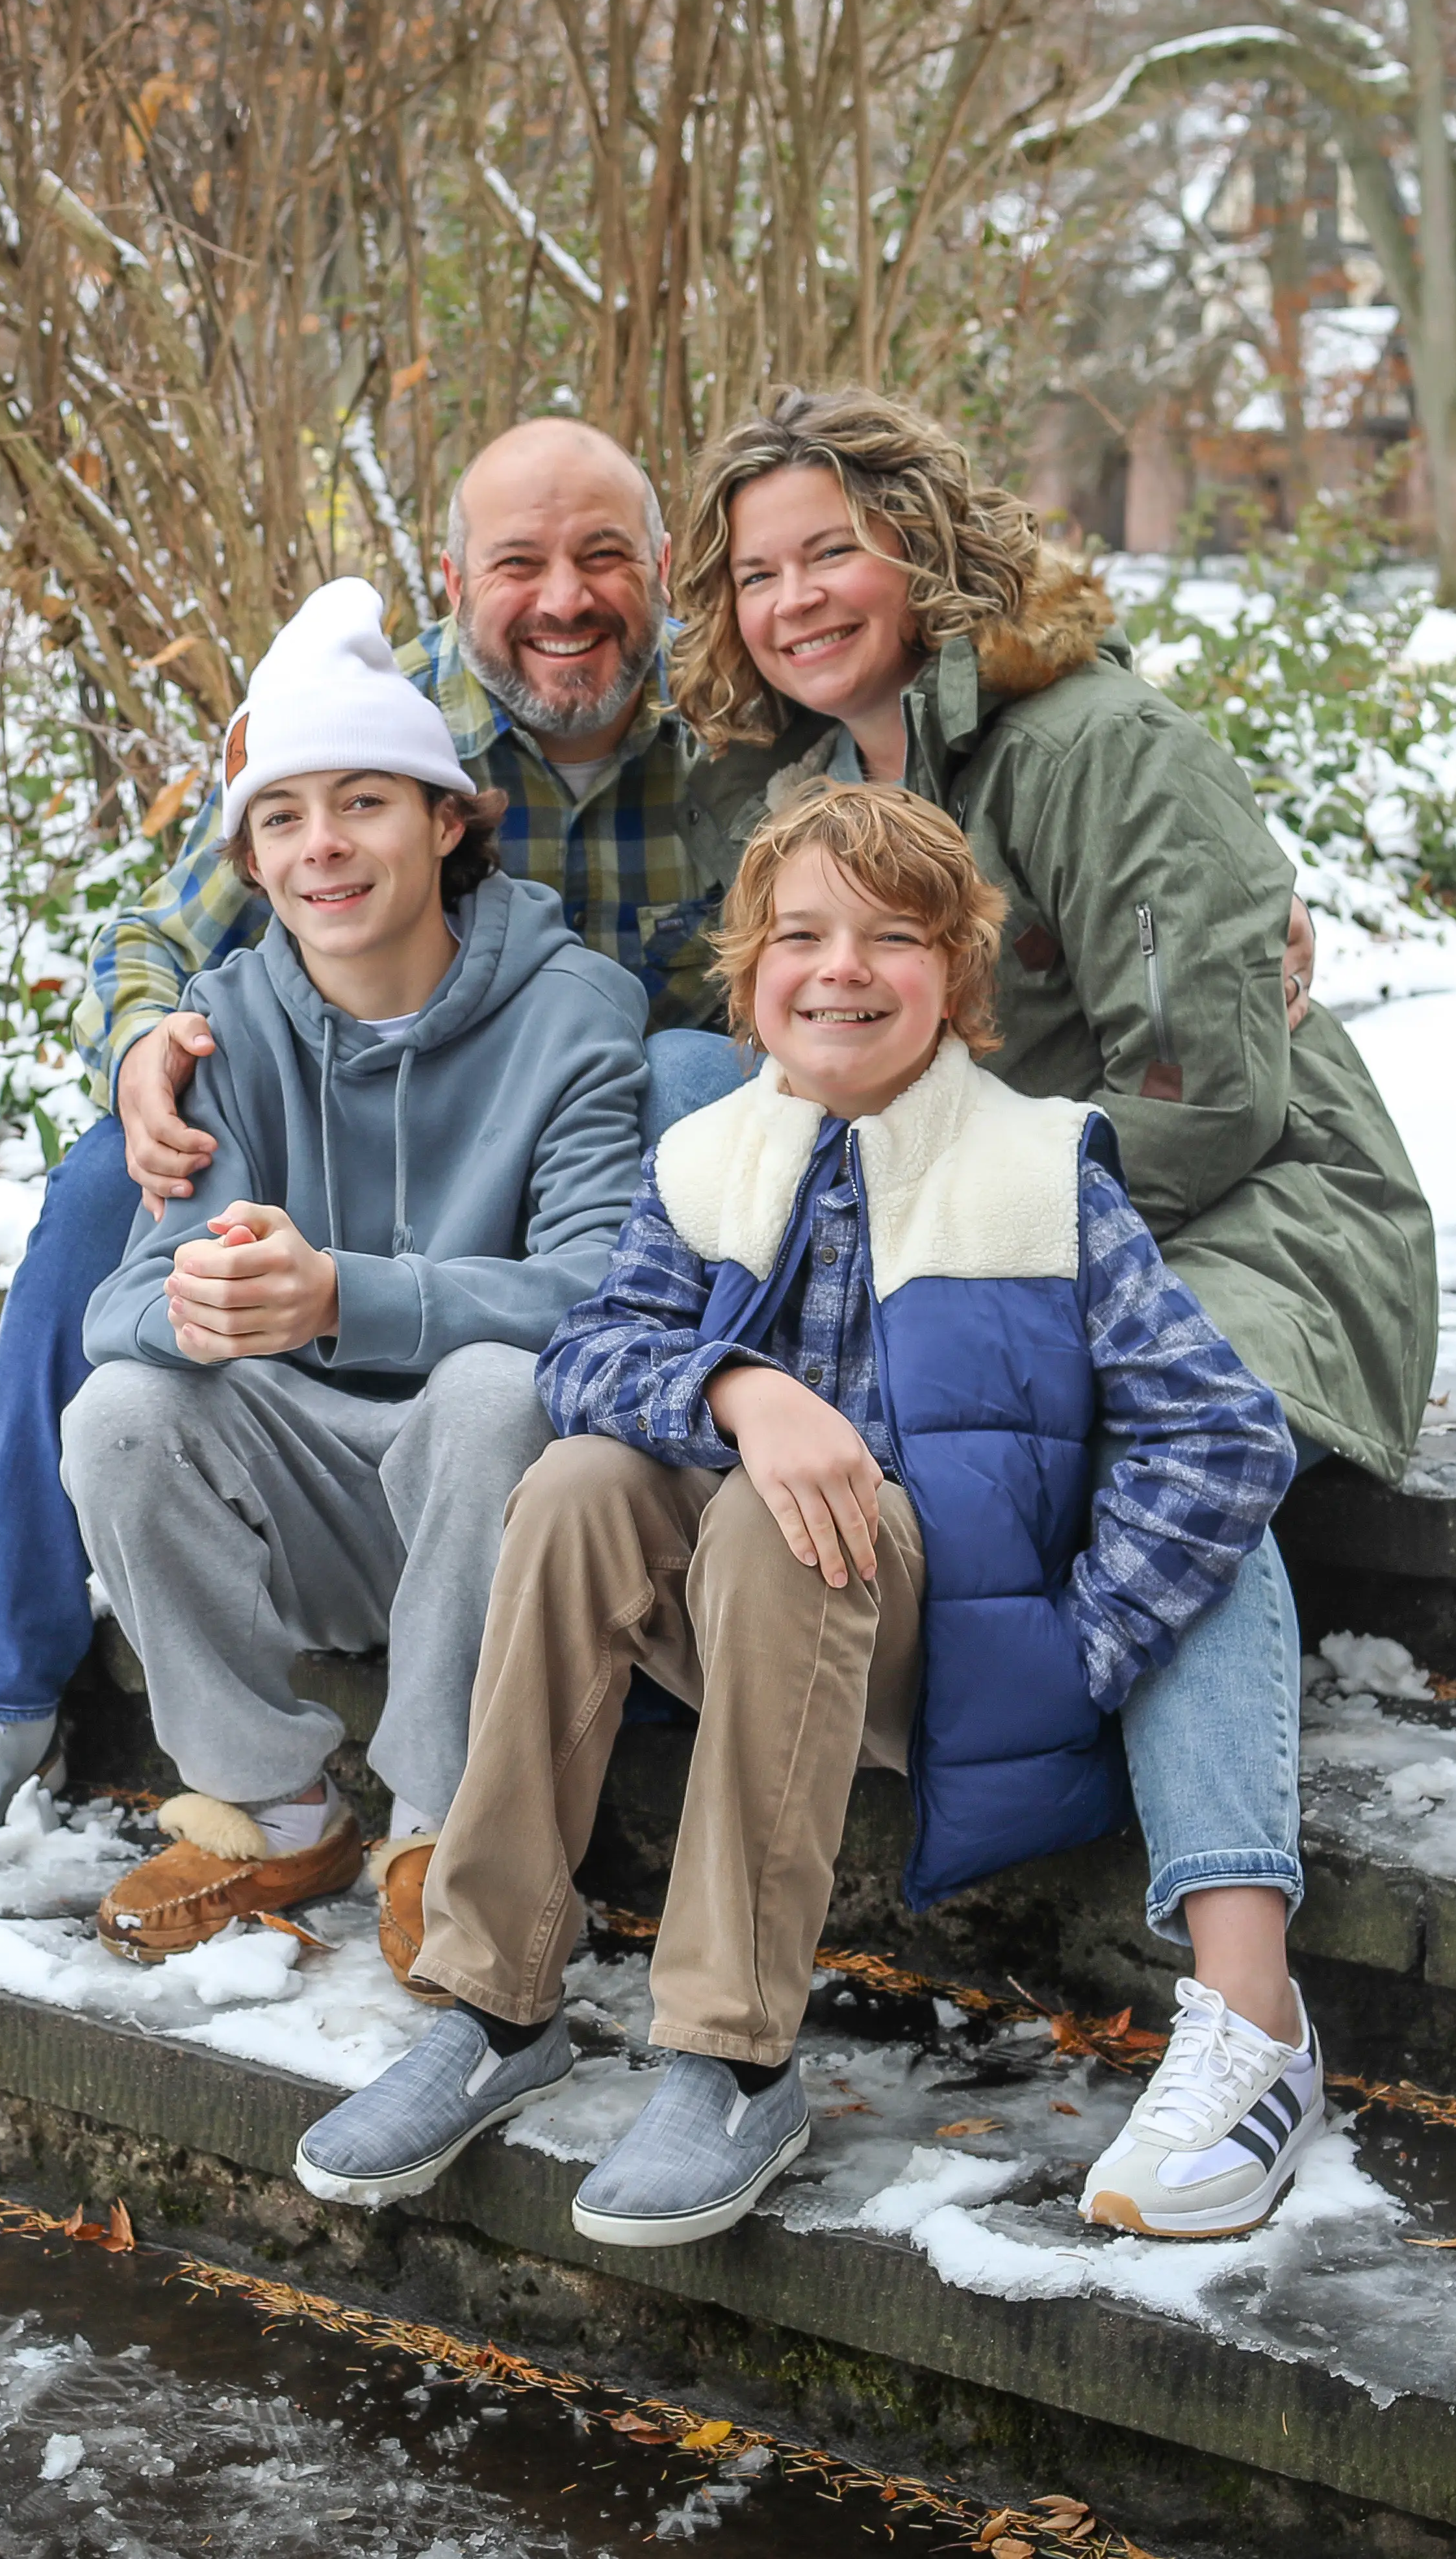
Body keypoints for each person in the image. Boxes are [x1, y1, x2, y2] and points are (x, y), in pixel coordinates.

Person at [294, 784, 1295, 2246]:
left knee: (775, 1523)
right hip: (749, 1629)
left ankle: (729, 2055)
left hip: (935, 1643)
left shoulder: (1036, 1175)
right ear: (750, 972)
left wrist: (1081, 1649)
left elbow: (1220, 1434)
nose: (842, 968)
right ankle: (494, 2003)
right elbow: (586, 1355)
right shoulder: (708, 1157)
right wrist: (740, 1393)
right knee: (576, 1481)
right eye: (802, 935)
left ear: (953, 981)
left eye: (894, 937)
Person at [660, 387, 1440, 2241]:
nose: (795, 597)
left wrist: (992, 1250)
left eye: (830, 547)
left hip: (1249, 1210)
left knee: (1170, 1431)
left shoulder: (1101, 745)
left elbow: (1214, 1090)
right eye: (757, 570)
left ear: (922, 547)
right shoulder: (808, 802)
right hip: (1008, 1222)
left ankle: (1250, 2013)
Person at [0, 420, 724, 1865]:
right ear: (453, 580)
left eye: (604, 559)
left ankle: (659, 1560)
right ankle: (2, 1679)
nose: (565, 599)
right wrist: (153, 1050)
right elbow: (170, 934)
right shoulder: (370, 724)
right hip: (339, 1188)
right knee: (115, 1172)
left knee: (695, 1074)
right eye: (519, 563)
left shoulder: (738, 718)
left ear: (663, 572)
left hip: (573, 1177)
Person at [53, 579, 649, 1970]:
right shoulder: (231, 1028)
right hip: (311, 1501)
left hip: (503, 1513)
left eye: (364, 803)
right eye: (281, 818)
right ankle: (270, 1807)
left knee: (498, 1386)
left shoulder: (572, 1018)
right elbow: (127, 1304)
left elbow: (601, 1293)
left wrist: (344, 1298)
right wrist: (201, 1309)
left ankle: (447, 1830)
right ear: (251, 863)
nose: (322, 847)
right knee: (122, 1410)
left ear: (446, 823)